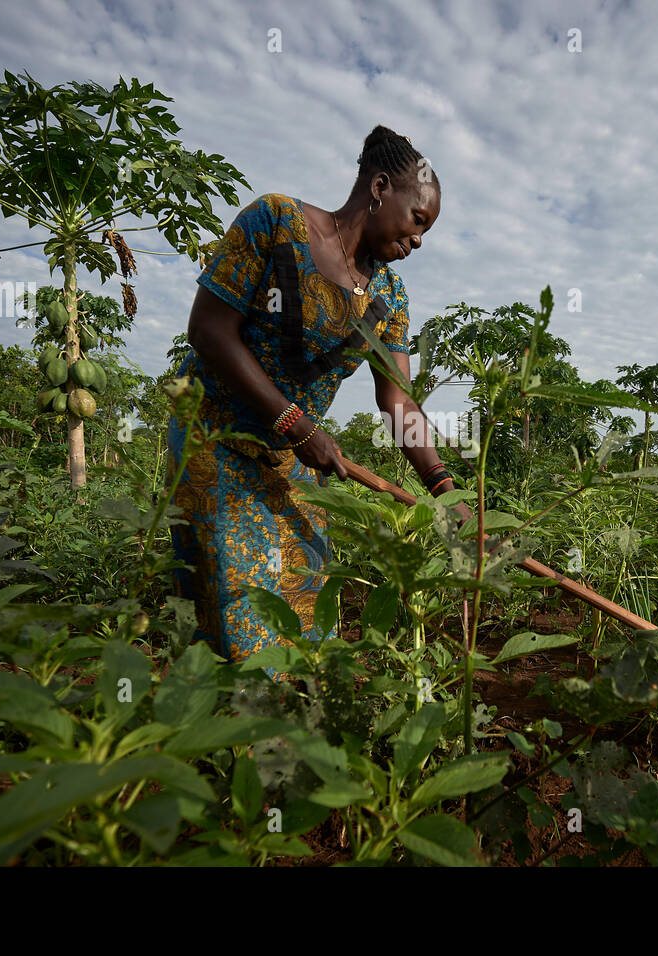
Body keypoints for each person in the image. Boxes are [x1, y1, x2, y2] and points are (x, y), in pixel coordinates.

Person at [166, 125, 471, 670]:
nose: (419, 240)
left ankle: (296, 731)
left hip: (295, 461)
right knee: (241, 600)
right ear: (380, 188)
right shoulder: (276, 222)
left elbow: (398, 403)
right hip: (216, 442)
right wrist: (294, 422)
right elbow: (210, 331)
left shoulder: (390, 297)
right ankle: (230, 735)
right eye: (418, 220)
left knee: (310, 603)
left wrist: (446, 493)